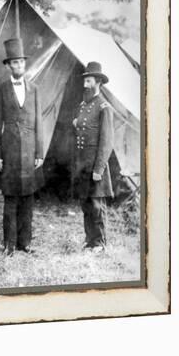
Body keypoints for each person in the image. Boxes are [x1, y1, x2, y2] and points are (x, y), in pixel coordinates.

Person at [0, 38, 44, 255]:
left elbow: (40, 122)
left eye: (21, 62)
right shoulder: (2, 89)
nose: (18, 66)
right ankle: (9, 245)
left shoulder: (35, 89)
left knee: (28, 201)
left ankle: (25, 243)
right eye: (14, 63)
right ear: (8, 66)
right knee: (11, 200)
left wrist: (40, 152)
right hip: (10, 152)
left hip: (30, 153)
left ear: (25, 64)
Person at [72, 61, 114, 253]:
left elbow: (107, 142)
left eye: (88, 81)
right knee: (85, 203)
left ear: (97, 82)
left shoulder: (104, 107)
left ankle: (100, 243)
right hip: (82, 164)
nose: (84, 85)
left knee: (97, 205)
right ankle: (90, 240)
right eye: (84, 81)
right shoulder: (82, 105)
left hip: (95, 165)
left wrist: (99, 169)